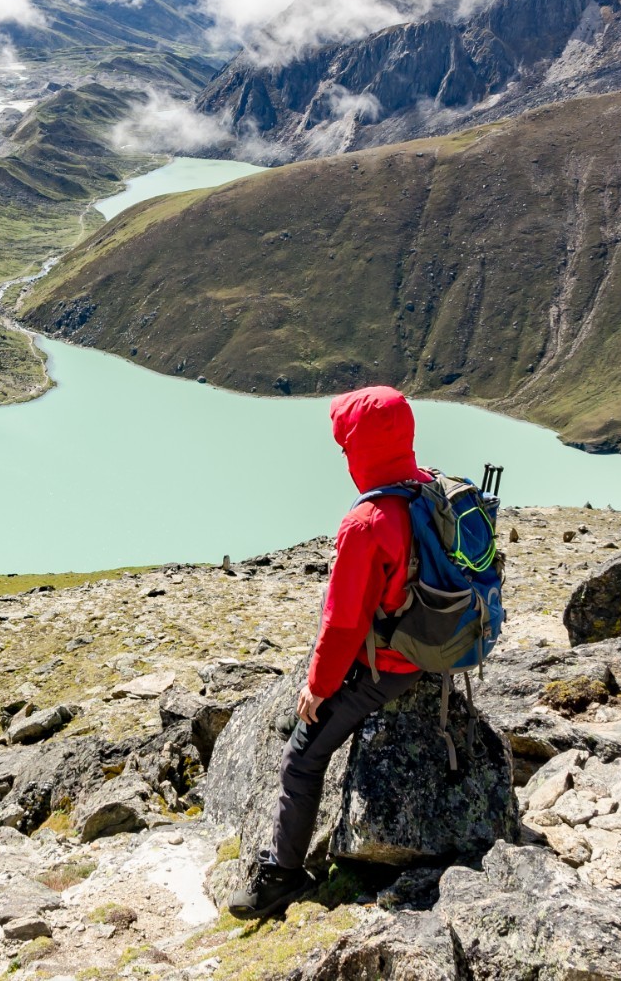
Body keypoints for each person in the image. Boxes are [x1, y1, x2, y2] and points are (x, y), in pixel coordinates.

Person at [226, 384, 425, 920]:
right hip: (433, 647)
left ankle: (283, 873)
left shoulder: (366, 525)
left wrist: (318, 686)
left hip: (391, 665)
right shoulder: (428, 489)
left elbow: (343, 625)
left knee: (300, 759)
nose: (344, 456)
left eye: (347, 446)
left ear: (362, 447)